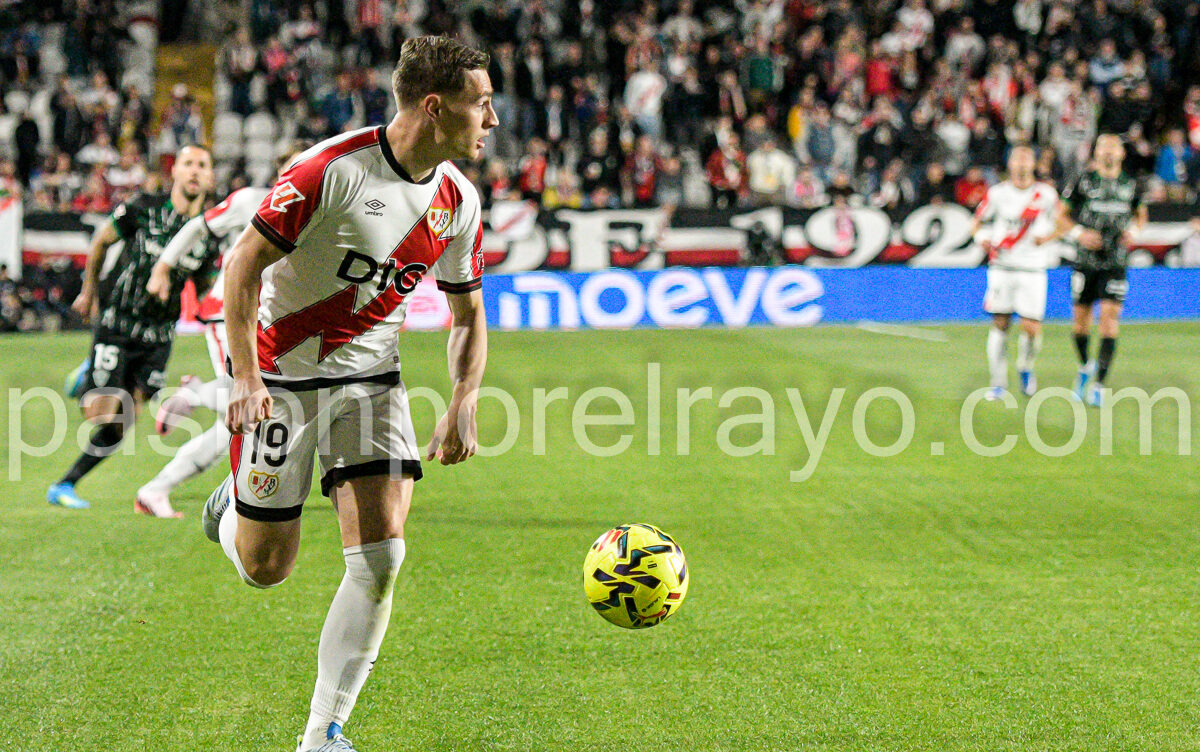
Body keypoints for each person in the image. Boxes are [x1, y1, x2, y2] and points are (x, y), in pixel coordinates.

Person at [201, 36, 493, 752]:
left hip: (372, 382)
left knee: (382, 558)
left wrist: (463, 396)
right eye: (481, 104)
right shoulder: (328, 171)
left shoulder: (458, 199)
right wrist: (244, 377)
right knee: (266, 568)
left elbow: (466, 313)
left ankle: (322, 735)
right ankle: (230, 509)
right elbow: (242, 268)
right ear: (435, 107)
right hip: (282, 380)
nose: (492, 120)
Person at [135, 142, 312, 514]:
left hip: (268, 318)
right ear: (280, 171)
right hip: (230, 312)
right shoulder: (252, 200)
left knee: (233, 425)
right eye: (293, 167)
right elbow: (197, 227)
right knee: (256, 402)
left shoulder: (316, 213)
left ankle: (155, 490)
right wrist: (163, 267)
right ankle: (197, 394)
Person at [46, 145, 215, 514]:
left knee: (124, 422)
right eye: (188, 163)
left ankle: (64, 484)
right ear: (175, 171)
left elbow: (203, 284)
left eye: (202, 165)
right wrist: (89, 291)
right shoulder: (144, 208)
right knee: (102, 414)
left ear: (211, 176)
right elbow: (101, 241)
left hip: (159, 334)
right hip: (119, 322)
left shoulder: (209, 231)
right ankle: (87, 375)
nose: (194, 171)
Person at [1052, 134, 1147, 406]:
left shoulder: (1130, 185)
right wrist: (1080, 234)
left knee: (1109, 318)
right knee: (1080, 324)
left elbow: (1141, 216)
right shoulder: (1083, 181)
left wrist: (1133, 232)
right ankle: (1085, 366)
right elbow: (1060, 215)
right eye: (1103, 146)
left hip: (1115, 262)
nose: (1108, 151)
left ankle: (1099, 385)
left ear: (1122, 154)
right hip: (1086, 261)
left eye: (1113, 147)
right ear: (1095, 153)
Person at [972, 145, 1060, 399]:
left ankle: (1025, 367)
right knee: (1000, 322)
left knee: (1031, 327)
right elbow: (976, 222)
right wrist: (981, 238)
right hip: (1003, 266)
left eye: (1026, 159)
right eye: (1017, 159)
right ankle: (998, 382)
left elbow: (1063, 222)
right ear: (1009, 164)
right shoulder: (997, 193)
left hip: (1034, 268)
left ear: (1034, 164)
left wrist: (1048, 238)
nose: (1021, 163)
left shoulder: (1046, 194)